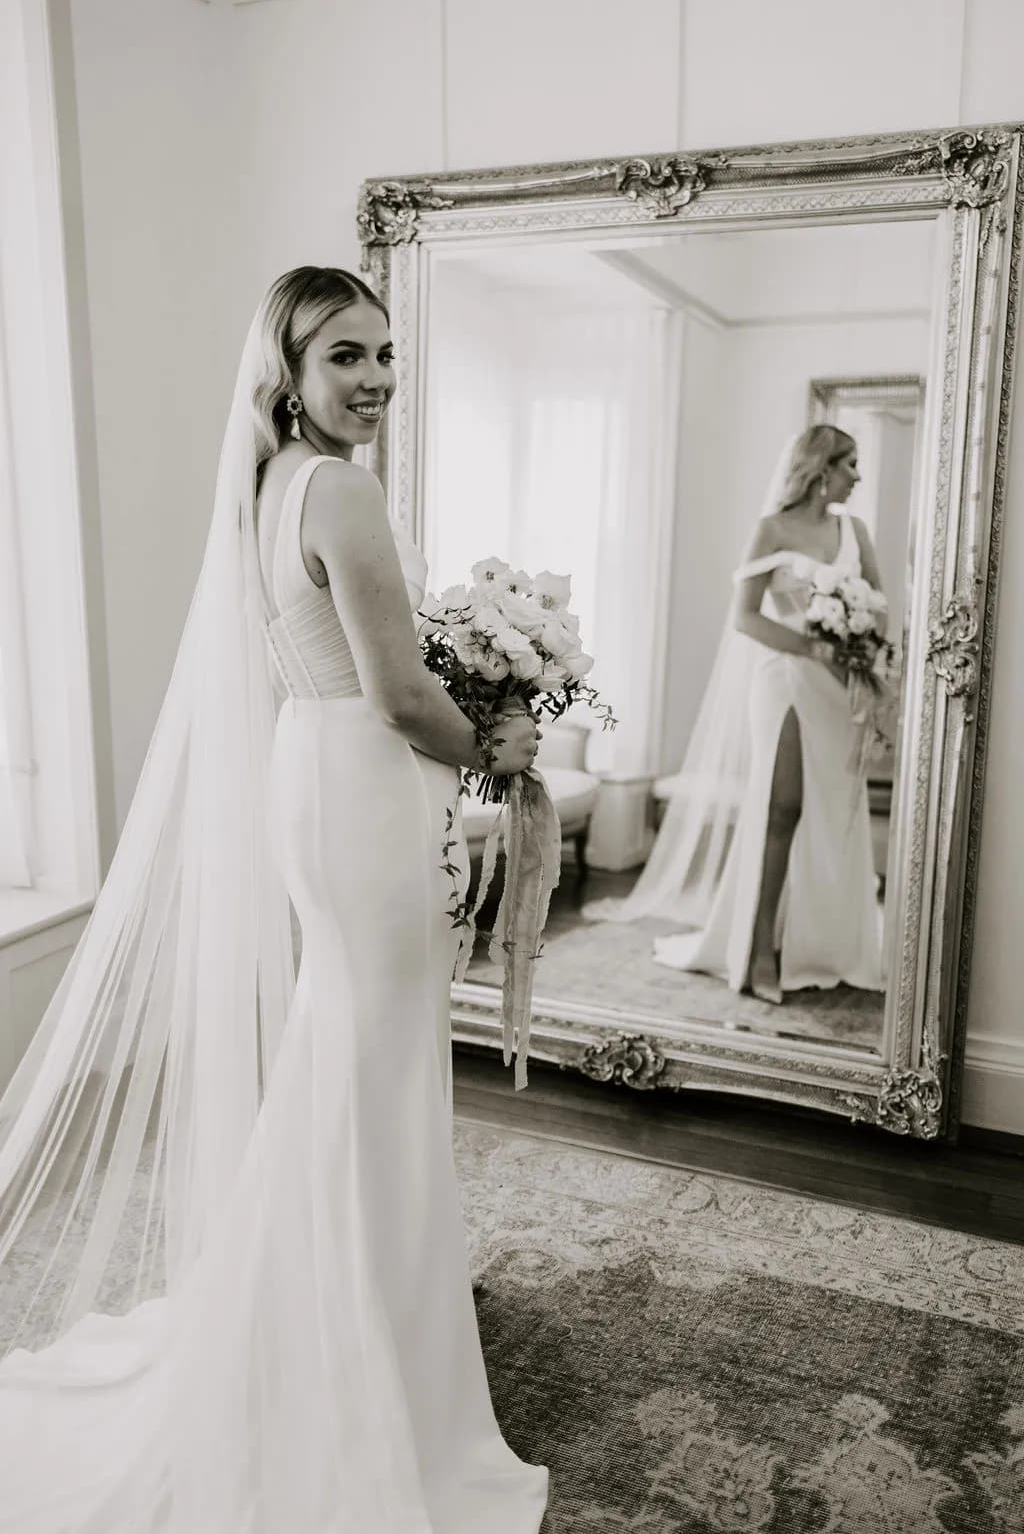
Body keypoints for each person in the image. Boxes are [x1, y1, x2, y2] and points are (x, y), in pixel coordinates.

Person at [0, 267, 549, 1532]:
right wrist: (494, 753)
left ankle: (332, 1292)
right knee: (372, 1058)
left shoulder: (265, 486)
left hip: (317, 770)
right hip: (363, 780)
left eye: (386, 353)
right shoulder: (340, 487)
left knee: (345, 1048)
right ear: (288, 375)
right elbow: (403, 694)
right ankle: (355, 1328)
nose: (374, 379)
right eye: (345, 356)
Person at [586, 425, 886, 1005]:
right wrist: (814, 646)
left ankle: (829, 945)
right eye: (850, 463)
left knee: (833, 816)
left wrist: (860, 648)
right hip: (786, 680)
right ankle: (759, 951)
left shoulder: (856, 531)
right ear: (821, 468)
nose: (857, 475)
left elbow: (877, 603)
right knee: (783, 808)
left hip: (839, 689)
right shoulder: (771, 529)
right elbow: (746, 617)